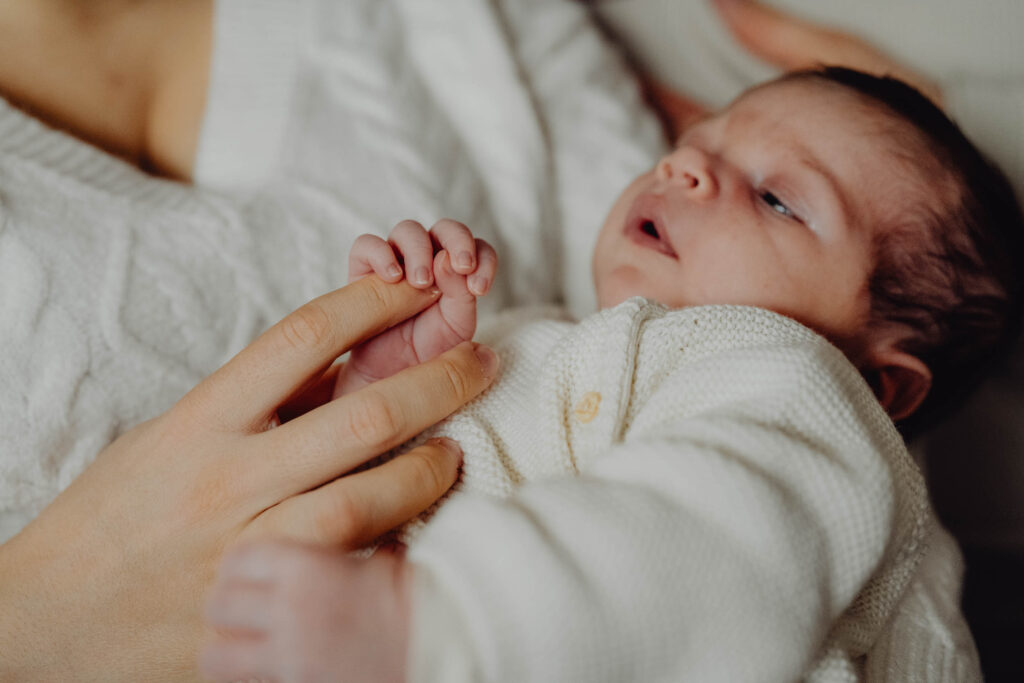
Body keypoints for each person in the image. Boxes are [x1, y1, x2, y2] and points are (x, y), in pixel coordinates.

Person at [0, 0, 999, 680]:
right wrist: (395, 374)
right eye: (692, 149)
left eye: (778, 197)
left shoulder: (791, 390)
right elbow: (428, 466)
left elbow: (699, 550)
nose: (688, 173)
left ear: (883, 384)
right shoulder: (574, 344)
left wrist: (436, 624)